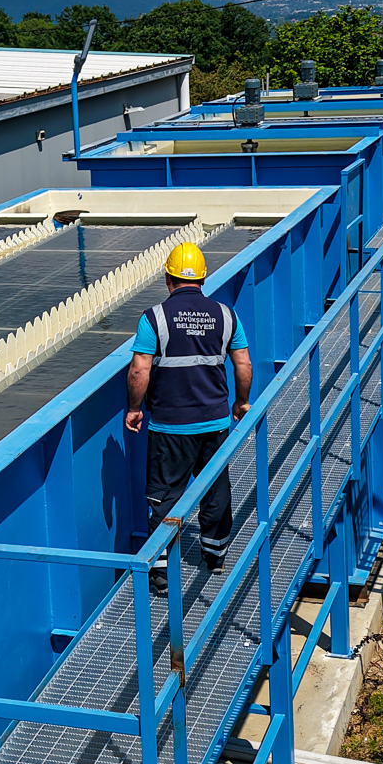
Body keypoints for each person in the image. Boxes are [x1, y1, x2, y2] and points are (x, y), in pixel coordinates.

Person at [124, 241, 252, 591]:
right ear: (203, 280)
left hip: (170, 426)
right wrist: (241, 403)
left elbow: (139, 370)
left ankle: (161, 574)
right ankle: (215, 555)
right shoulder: (227, 316)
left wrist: (135, 408)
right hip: (215, 422)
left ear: (168, 279)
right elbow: (243, 364)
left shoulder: (154, 318)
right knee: (215, 489)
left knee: (165, 495)